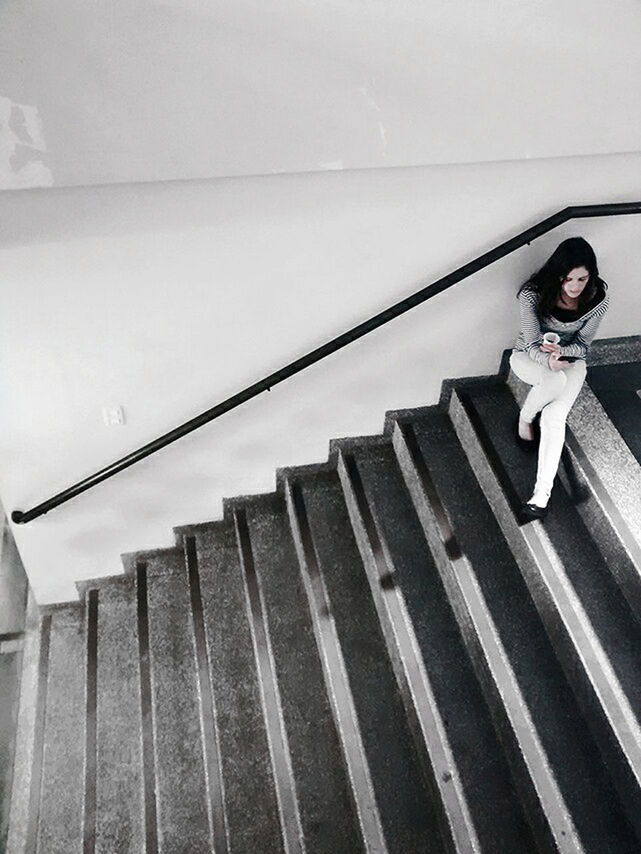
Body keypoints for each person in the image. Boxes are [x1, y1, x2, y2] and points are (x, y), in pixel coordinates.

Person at [510, 236, 610, 519]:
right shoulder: (532, 294)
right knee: (555, 381)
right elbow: (529, 343)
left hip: (571, 360)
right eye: (569, 279)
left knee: (554, 418)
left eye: (582, 279)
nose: (576, 287)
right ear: (558, 275)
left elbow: (583, 345)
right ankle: (525, 419)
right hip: (528, 357)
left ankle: (540, 496)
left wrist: (563, 353)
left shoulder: (597, 298)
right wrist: (548, 359)